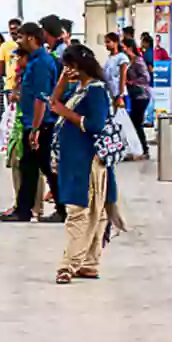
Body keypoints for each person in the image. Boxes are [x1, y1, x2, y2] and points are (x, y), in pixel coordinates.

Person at [49, 44, 123, 284]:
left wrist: (65, 113)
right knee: (95, 212)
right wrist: (62, 81)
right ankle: (90, 263)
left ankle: (68, 265)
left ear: (79, 66)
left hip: (88, 161)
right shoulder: (81, 88)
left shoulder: (96, 91)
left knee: (79, 211)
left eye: (68, 66)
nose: (66, 69)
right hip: (75, 159)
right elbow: (54, 103)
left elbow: (95, 125)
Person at [0, 22, 65, 223]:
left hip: (41, 125)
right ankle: (23, 209)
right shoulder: (35, 61)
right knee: (29, 168)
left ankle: (63, 209)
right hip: (32, 124)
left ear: (31, 38)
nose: (17, 41)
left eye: (20, 37)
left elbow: (41, 98)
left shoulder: (42, 62)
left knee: (46, 168)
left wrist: (35, 128)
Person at [121, 37, 151, 159]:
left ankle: (143, 149)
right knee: (135, 122)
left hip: (141, 95)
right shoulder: (127, 61)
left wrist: (132, 82)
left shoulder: (138, 61)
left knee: (136, 122)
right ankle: (140, 148)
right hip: (135, 95)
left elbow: (146, 78)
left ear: (129, 48)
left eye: (123, 47)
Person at [102, 33, 129, 109]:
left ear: (116, 42)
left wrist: (121, 95)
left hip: (119, 93)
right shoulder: (109, 58)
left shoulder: (122, 57)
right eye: (105, 42)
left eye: (108, 42)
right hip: (111, 93)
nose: (106, 44)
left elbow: (123, 77)